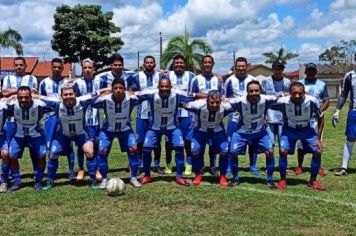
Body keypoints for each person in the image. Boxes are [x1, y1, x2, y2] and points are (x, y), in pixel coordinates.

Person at [40, 84, 109, 190]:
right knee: (53, 154)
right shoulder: (56, 104)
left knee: (90, 152)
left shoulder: (82, 101)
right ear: (61, 96)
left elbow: (97, 93)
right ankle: (50, 181)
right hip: (64, 134)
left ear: (75, 94)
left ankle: (92, 180)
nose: (68, 96)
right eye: (65, 95)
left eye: (70, 94)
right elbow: (41, 97)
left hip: (81, 133)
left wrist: (109, 89)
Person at [135, 78, 197, 186]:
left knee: (179, 147)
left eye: (167, 86)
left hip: (172, 127)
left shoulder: (177, 94)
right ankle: (147, 176)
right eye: (162, 86)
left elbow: (194, 95)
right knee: (146, 149)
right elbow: (134, 94)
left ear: (170, 87)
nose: (164, 89)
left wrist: (214, 97)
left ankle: (179, 176)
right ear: (158, 87)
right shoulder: (151, 94)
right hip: (154, 127)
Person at [269, 82, 325, 191]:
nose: (297, 96)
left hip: (306, 129)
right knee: (283, 151)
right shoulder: (283, 101)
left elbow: (321, 118)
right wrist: (280, 95)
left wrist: (318, 138)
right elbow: (267, 104)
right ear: (289, 93)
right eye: (294, 93)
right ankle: (283, 179)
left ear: (304, 93)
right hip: (289, 129)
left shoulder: (312, 101)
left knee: (318, 150)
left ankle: (313, 180)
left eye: (300, 93)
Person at [92, 78, 141, 188]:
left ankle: (133, 177)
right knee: (102, 150)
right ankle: (104, 179)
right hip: (108, 129)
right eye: (115, 88)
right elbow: (90, 101)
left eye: (121, 88)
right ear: (112, 89)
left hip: (125, 128)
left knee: (133, 148)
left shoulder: (131, 99)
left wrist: (134, 92)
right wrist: (101, 92)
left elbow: (145, 95)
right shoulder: (105, 99)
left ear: (124, 89)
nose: (118, 90)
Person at [228, 81, 276, 188]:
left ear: (260, 91)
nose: (254, 93)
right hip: (241, 132)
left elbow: (281, 97)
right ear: (247, 92)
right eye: (251, 91)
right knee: (233, 152)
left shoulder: (266, 99)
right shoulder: (240, 101)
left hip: (260, 132)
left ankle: (270, 179)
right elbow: (224, 101)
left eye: (256, 90)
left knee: (270, 152)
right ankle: (235, 178)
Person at [0, 57, 38, 191]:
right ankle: (14, 178)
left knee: (35, 150)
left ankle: (36, 176)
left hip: (28, 120)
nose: (19, 67)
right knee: (10, 152)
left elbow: (32, 93)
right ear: (13, 66)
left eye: (21, 65)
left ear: (26, 66)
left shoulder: (32, 78)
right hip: (11, 121)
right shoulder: (7, 78)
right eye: (16, 65)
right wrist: (21, 91)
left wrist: (15, 92)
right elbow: (4, 93)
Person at [6, 86, 50, 191]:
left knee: (41, 155)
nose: (23, 100)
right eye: (20, 97)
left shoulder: (40, 105)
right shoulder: (11, 105)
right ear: (16, 97)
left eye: (26, 97)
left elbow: (56, 103)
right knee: (11, 155)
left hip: (36, 135)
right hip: (19, 135)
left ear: (31, 97)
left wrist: (39, 96)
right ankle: (17, 181)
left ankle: (38, 181)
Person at [39, 58, 75, 180]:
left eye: (59, 67)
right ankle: (51, 174)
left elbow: (73, 99)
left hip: (65, 117)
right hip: (50, 118)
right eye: (55, 67)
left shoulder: (67, 83)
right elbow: (41, 100)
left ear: (63, 68)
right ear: (51, 67)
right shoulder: (44, 82)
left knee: (69, 145)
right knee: (50, 146)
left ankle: (71, 172)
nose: (57, 69)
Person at [184, 90, 230, 186]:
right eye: (211, 102)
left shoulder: (226, 106)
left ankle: (222, 176)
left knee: (224, 151)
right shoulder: (198, 105)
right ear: (206, 101)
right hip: (201, 130)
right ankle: (198, 174)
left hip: (218, 130)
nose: (214, 105)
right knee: (195, 151)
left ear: (221, 101)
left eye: (217, 102)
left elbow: (240, 103)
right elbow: (183, 103)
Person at [224, 57, 260, 176]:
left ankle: (253, 166)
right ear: (235, 67)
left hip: (251, 117)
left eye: (243, 66)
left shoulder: (253, 79)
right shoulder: (229, 80)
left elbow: (259, 97)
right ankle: (230, 166)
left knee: (252, 141)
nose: (241, 68)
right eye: (238, 66)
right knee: (231, 141)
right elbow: (225, 99)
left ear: (247, 67)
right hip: (234, 117)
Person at [131, 55, 166, 174]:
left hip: (157, 113)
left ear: (155, 65)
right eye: (147, 62)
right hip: (142, 113)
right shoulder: (136, 76)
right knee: (140, 141)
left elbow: (172, 76)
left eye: (151, 63)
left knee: (156, 140)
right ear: (143, 64)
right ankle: (140, 164)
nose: (149, 64)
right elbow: (129, 89)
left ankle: (156, 164)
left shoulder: (161, 76)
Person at [190, 55, 224, 177]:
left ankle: (213, 165)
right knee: (201, 142)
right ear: (202, 64)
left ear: (213, 64)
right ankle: (201, 166)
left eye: (210, 62)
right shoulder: (195, 79)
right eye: (205, 62)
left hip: (215, 115)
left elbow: (222, 96)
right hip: (200, 115)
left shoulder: (218, 80)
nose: (207, 64)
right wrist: (207, 97)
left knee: (213, 143)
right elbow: (191, 96)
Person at [295, 63, 329, 176]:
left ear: (316, 71)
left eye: (312, 70)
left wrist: (318, 111)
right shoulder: (300, 83)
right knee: (300, 143)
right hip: (301, 117)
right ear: (305, 72)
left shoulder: (322, 84)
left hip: (316, 118)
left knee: (317, 142)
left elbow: (326, 101)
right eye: (308, 70)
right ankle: (299, 166)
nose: (310, 72)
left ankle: (317, 166)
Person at [164, 55, 196, 175]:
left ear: (184, 64)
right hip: (170, 113)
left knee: (188, 140)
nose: (179, 65)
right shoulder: (167, 75)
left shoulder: (191, 76)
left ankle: (188, 163)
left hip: (187, 112)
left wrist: (218, 76)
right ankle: (168, 163)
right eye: (176, 63)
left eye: (181, 63)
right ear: (173, 64)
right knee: (169, 141)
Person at [73, 58, 102, 181]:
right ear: (82, 69)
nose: (88, 70)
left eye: (90, 67)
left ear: (94, 69)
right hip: (82, 120)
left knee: (96, 145)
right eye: (85, 68)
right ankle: (81, 168)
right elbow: (74, 101)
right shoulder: (77, 83)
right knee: (81, 145)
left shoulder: (100, 80)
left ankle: (96, 169)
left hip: (96, 119)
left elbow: (105, 94)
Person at [261, 61, 290, 177]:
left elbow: (290, 95)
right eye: (276, 68)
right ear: (272, 69)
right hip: (269, 113)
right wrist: (263, 115)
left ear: (283, 70)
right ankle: (270, 167)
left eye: (280, 68)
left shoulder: (287, 82)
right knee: (271, 143)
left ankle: (284, 167)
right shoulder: (266, 81)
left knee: (283, 144)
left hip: (282, 114)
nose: (278, 70)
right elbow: (262, 98)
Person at [333, 61, 356, 176]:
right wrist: (337, 110)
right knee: (350, 139)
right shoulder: (350, 75)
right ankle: (344, 167)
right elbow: (344, 94)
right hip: (354, 112)